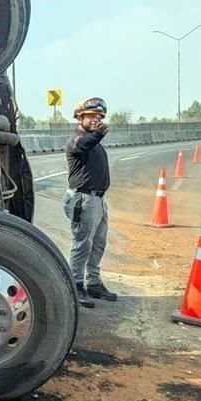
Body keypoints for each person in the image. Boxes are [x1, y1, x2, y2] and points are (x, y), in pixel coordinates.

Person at [63, 97, 119, 307]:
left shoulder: (94, 142)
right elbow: (84, 145)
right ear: (80, 117)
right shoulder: (78, 140)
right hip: (83, 199)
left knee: (98, 243)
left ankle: (93, 282)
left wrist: (97, 136)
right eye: (91, 116)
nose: (96, 119)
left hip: (98, 200)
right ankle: (75, 285)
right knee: (82, 244)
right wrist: (97, 134)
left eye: (99, 116)